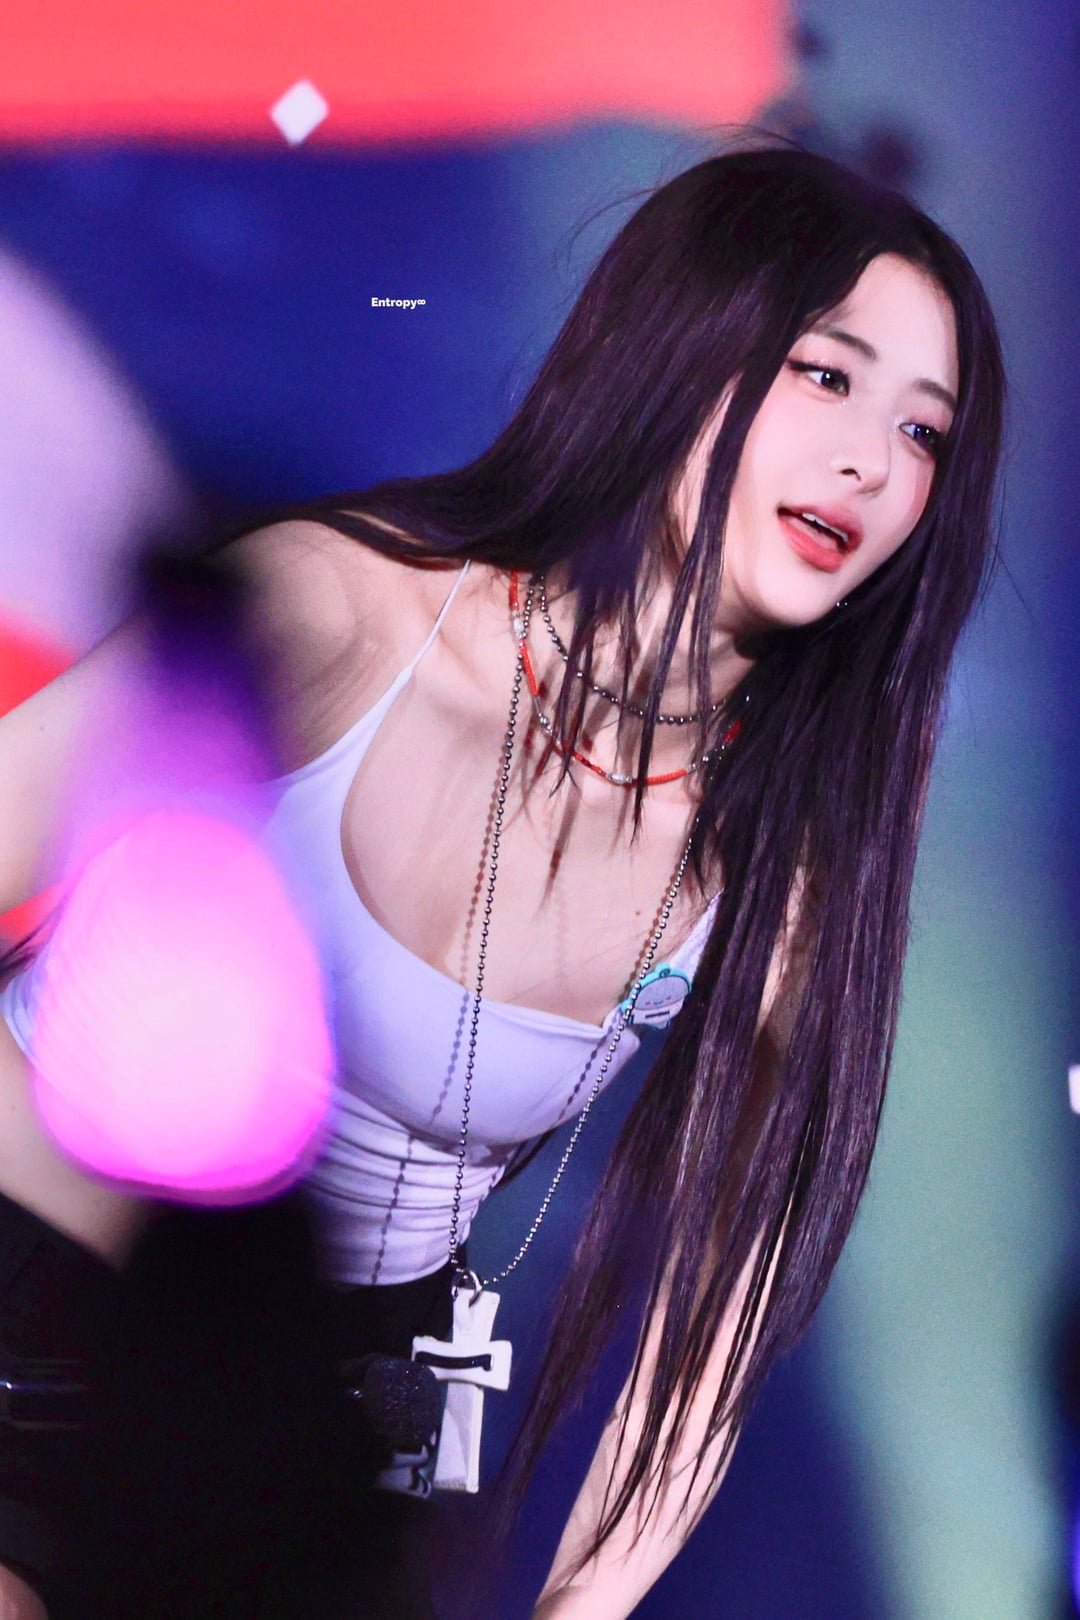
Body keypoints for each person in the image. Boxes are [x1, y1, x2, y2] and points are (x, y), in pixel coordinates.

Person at [0, 140, 1005, 1619]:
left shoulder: (777, 864)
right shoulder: (342, 615)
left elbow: (703, 1351)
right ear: (683, 349)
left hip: (320, 1437)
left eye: (925, 431)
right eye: (825, 374)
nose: (872, 460)